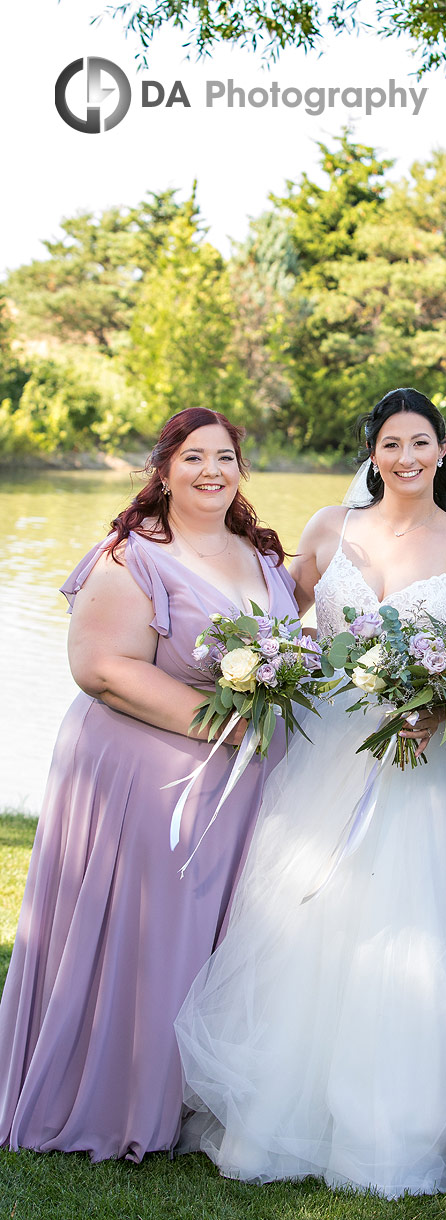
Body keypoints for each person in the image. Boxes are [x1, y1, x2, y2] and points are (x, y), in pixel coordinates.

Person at [175, 388, 446, 1197]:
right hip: (323, 747)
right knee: (304, 914)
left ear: (442, 448)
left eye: (418, 442)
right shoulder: (330, 529)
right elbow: (280, 623)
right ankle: (279, 1111)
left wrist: (435, 706)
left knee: (407, 924)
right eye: (390, 444)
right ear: (372, 452)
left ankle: (397, 1121)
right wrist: (261, 665)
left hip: (418, 771)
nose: (404, 458)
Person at [0, 407, 298, 1162]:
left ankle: (186, 1101)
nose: (210, 471)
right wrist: (221, 728)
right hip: (142, 779)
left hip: (235, 785)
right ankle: (114, 1099)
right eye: (192, 457)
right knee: (146, 938)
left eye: (224, 457)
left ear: (241, 470)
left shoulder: (261, 556)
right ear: (162, 470)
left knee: (207, 943)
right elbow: (101, 669)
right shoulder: (131, 555)